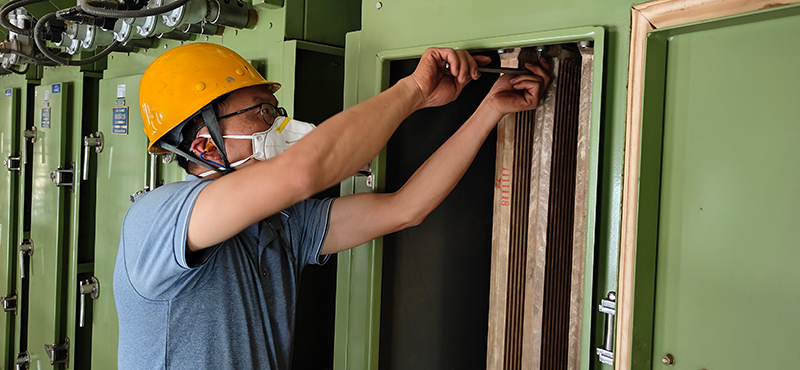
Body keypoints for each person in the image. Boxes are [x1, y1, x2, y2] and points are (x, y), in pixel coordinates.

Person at [114, 42, 551, 369]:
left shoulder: (279, 226)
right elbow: (304, 172)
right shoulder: (157, 218)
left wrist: (489, 111)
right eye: (262, 113)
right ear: (206, 143)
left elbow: (405, 208)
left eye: (275, 109)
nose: (278, 123)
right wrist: (414, 89)